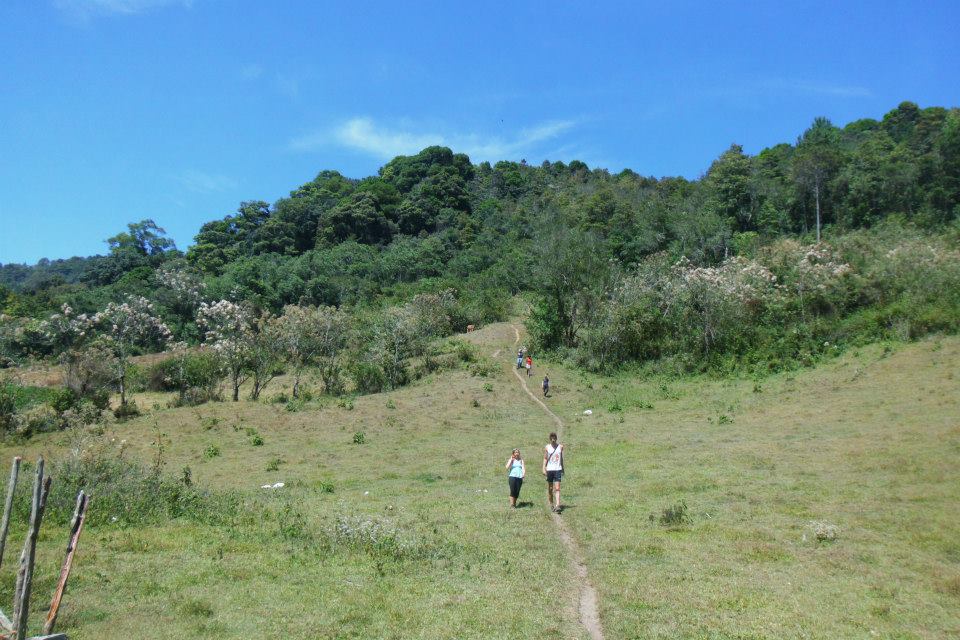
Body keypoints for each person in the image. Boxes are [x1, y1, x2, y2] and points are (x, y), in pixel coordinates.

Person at [542, 432, 564, 512]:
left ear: (556, 438)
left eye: (554, 438)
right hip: (549, 469)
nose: (553, 439)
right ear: (550, 438)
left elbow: (561, 458)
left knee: (557, 488)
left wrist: (562, 468)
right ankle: (551, 503)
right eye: (552, 438)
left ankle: (558, 505)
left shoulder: (560, 447)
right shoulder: (547, 447)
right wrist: (543, 468)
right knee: (550, 488)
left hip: (557, 469)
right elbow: (545, 458)